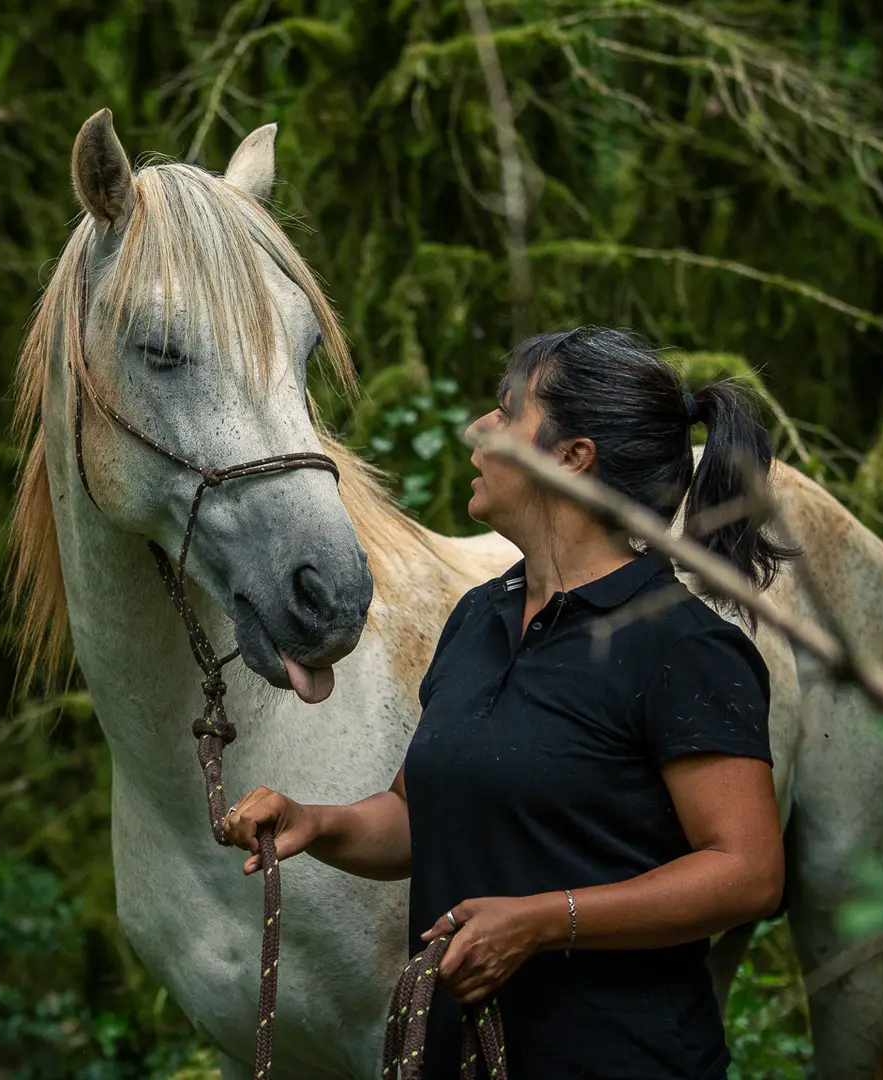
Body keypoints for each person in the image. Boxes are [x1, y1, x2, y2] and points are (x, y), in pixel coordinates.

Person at [221, 327, 794, 1079]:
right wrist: (313, 822)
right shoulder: (481, 618)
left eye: (504, 411)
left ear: (569, 457)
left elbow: (747, 871)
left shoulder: (681, 648)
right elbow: (419, 820)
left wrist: (542, 922)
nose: (479, 429)